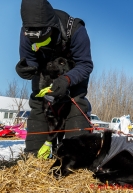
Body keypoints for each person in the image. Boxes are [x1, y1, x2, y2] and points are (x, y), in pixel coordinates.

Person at [16, 0, 93, 157]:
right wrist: (25, 68)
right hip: (45, 73)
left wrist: (66, 80)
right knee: (38, 103)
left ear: (51, 28)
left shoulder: (76, 30)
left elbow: (85, 65)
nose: (38, 44)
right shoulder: (26, 33)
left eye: (43, 40)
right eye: (34, 42)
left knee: (75, 103)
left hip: (72, 75)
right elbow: (29, 60)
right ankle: (34, 156)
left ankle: (74, 159)